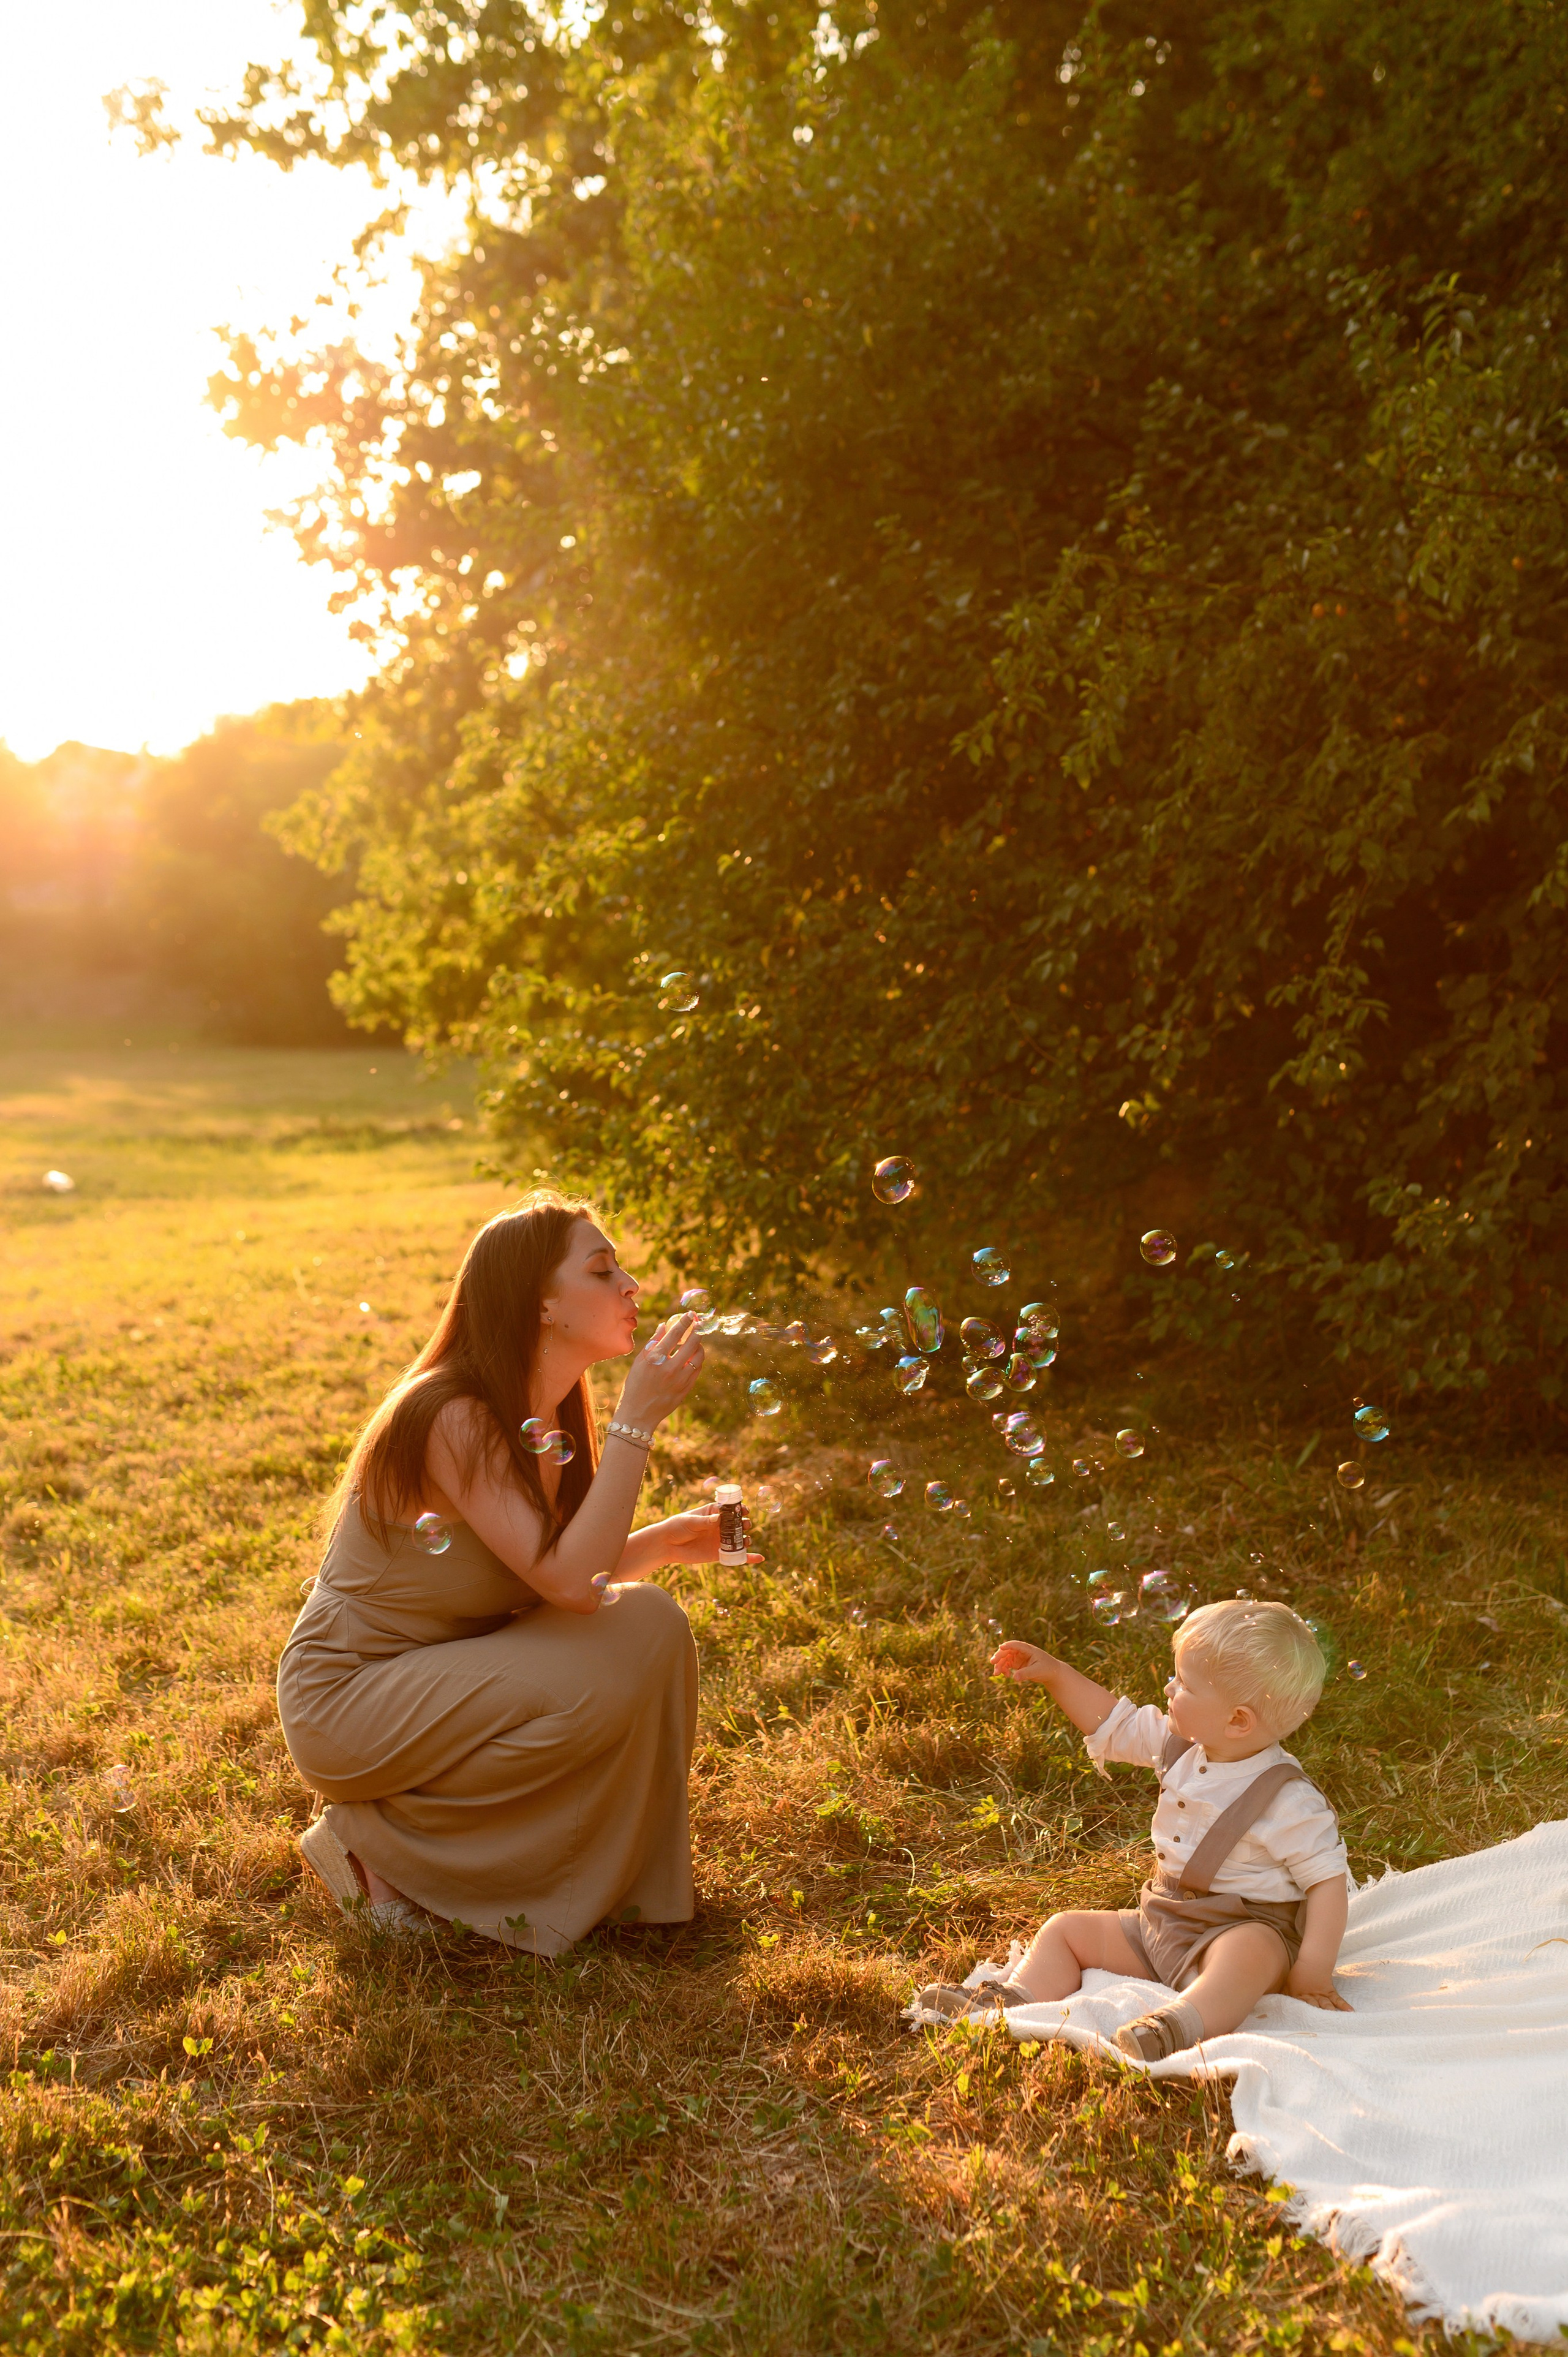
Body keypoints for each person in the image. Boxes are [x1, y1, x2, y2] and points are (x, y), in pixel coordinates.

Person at [278, 1192, 746, 1953]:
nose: (630, 1284)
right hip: (350, 1696)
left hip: (439, 1676)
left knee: (649, 1621)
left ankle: (595, 1882)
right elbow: (565, 1588)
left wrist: (661, 1541)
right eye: (602, 1269)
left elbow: (549, 1577)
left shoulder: (549, 1414)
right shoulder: (452, 1414)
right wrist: (638, 1420)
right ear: (542, 1303)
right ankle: (374, 1845)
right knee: (612, 1649)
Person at [912, 1599, 1354, 2060]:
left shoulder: (1287, 1799)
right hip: (1163, 1920)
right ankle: (1013, 2000)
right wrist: (1057, 1673)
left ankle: (1177, 2025)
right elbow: (1115, 1724)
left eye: (1183, 1684)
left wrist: (1312, 1971)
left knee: (1250, 1954)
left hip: (1241, 1928)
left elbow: (1327, 1884)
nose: (1168, 1687)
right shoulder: (1180, 1745)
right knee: (1065, 1929)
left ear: (1237, 1720)